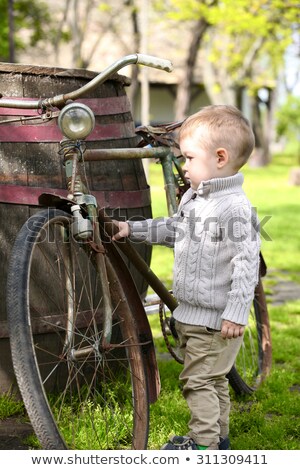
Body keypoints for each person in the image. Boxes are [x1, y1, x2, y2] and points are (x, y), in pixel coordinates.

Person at [113, 105, 261, 450]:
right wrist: (130, 229)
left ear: (220, 158)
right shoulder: (195, 200)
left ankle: (202, 445)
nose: (184, 166)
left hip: (215, 320)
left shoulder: (234, 207)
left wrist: (237, 312)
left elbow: (246, 263)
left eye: (190, 158)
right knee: (213, 380)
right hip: (196, 315)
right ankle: (219, 439)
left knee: (197, 382)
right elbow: (174, 229)